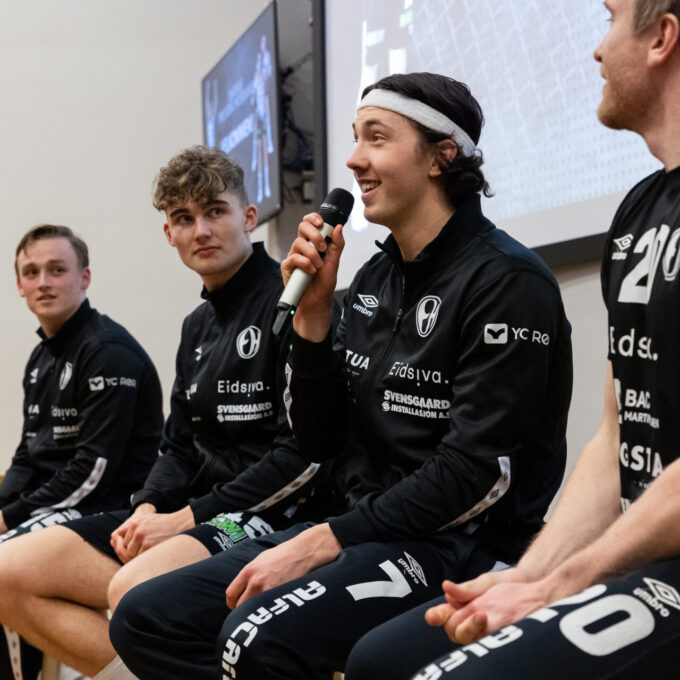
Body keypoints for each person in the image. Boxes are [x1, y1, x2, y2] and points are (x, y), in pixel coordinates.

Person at [108, 72, 573, 680]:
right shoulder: (374, 280)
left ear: (441, 157)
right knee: (145, 616)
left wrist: (331, 537)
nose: (353, 159)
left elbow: (476, 474)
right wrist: (314, 317)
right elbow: (319, 440)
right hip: (360, 524)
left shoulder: (507, 282)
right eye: (355, 137)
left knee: (254, 638)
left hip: (461, 542)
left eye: (376, 138)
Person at [347, 2, 680, 679]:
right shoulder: (639, 211)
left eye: (611, 18)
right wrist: (530, 577)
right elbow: (617, 436)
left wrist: (564, 582)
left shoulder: (504, 278)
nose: (595, 49)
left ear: (661, 38)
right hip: (639, 551)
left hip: (655, 561)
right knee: (381, 661)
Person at [0, 147, 339, 680]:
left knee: (133, 592)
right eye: (184, 218)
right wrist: (148, 506)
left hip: (276, 515)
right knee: (7, 573)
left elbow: (304, 458)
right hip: (192, 512)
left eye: (215, 212)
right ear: (169, 234)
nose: (200, 230)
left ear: (249, 217)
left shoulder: (297, 301)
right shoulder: (195, 325)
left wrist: (187, 518)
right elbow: (177, 445)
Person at [0, 224, 163, 679]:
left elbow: (92, 473)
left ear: (84, 277)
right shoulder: (42, 358)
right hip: (64, 505)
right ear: (19, 285)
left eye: (57, 270)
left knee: (5, 559)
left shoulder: (108, 351)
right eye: (32, 272)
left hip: (111, 510)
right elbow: (27, 458)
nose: (44, 282)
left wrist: (8, 520)